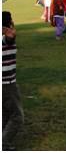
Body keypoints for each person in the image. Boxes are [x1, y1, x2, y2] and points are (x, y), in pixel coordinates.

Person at [2, 11, 24, 150]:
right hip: (7, 84)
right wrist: (9, 34)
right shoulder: (5, 38)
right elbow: (9, 38)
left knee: (4, 113)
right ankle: (3, 144)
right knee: (17, 116)